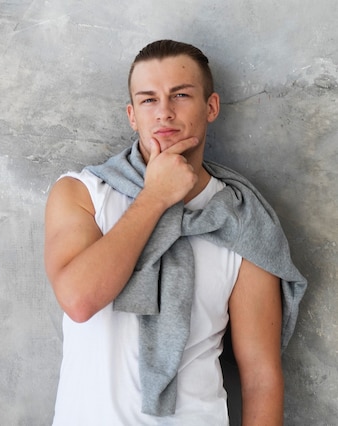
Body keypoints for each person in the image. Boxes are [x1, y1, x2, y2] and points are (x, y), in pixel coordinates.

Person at [44, 40, 307, 425]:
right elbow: (80, 300)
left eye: (180, 95)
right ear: (132, 116)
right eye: (149, 100)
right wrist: (155, 198)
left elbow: (261, 378)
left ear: (211, 107)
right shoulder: (83, 193)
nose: (164, 113)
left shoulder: (241, 220)